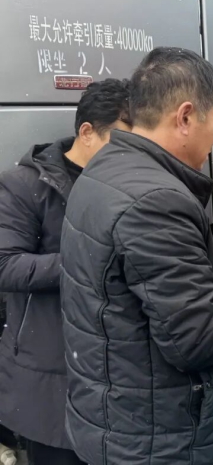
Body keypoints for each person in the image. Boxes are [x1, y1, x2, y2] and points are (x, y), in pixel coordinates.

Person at [59, 47, 213, 465]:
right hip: (165, 440)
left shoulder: (104, 172)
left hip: (119, 419)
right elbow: (195, 339)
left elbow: (140, 293)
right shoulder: (156, 200)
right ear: (185, 117)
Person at [0, 79, 132, 465]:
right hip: (51, 370)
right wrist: (89, 260)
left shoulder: (125, 185)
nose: (128, 157)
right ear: (86, 132)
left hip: (117, 368)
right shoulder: (25, 185)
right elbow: (6, 265)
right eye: (120, 144)